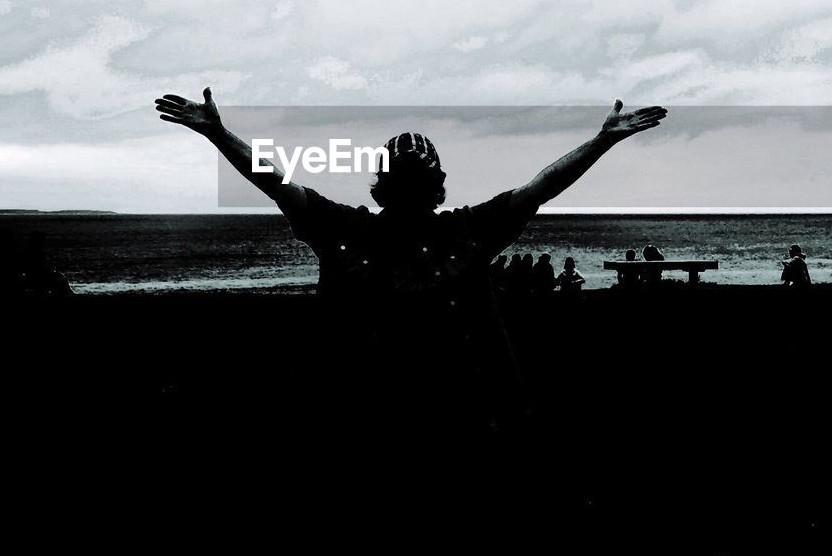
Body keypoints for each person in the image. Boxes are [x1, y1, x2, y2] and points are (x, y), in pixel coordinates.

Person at [154, 89, 666, 512]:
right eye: (411, 184)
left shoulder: (348, 229)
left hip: (370, 427)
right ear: (437, 190)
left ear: (380, 191)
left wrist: (218, 134)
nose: (410, 195)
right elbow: (538, 190)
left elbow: (278, 185)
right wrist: (601, 143)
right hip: (458, 423)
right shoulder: (465, 230)